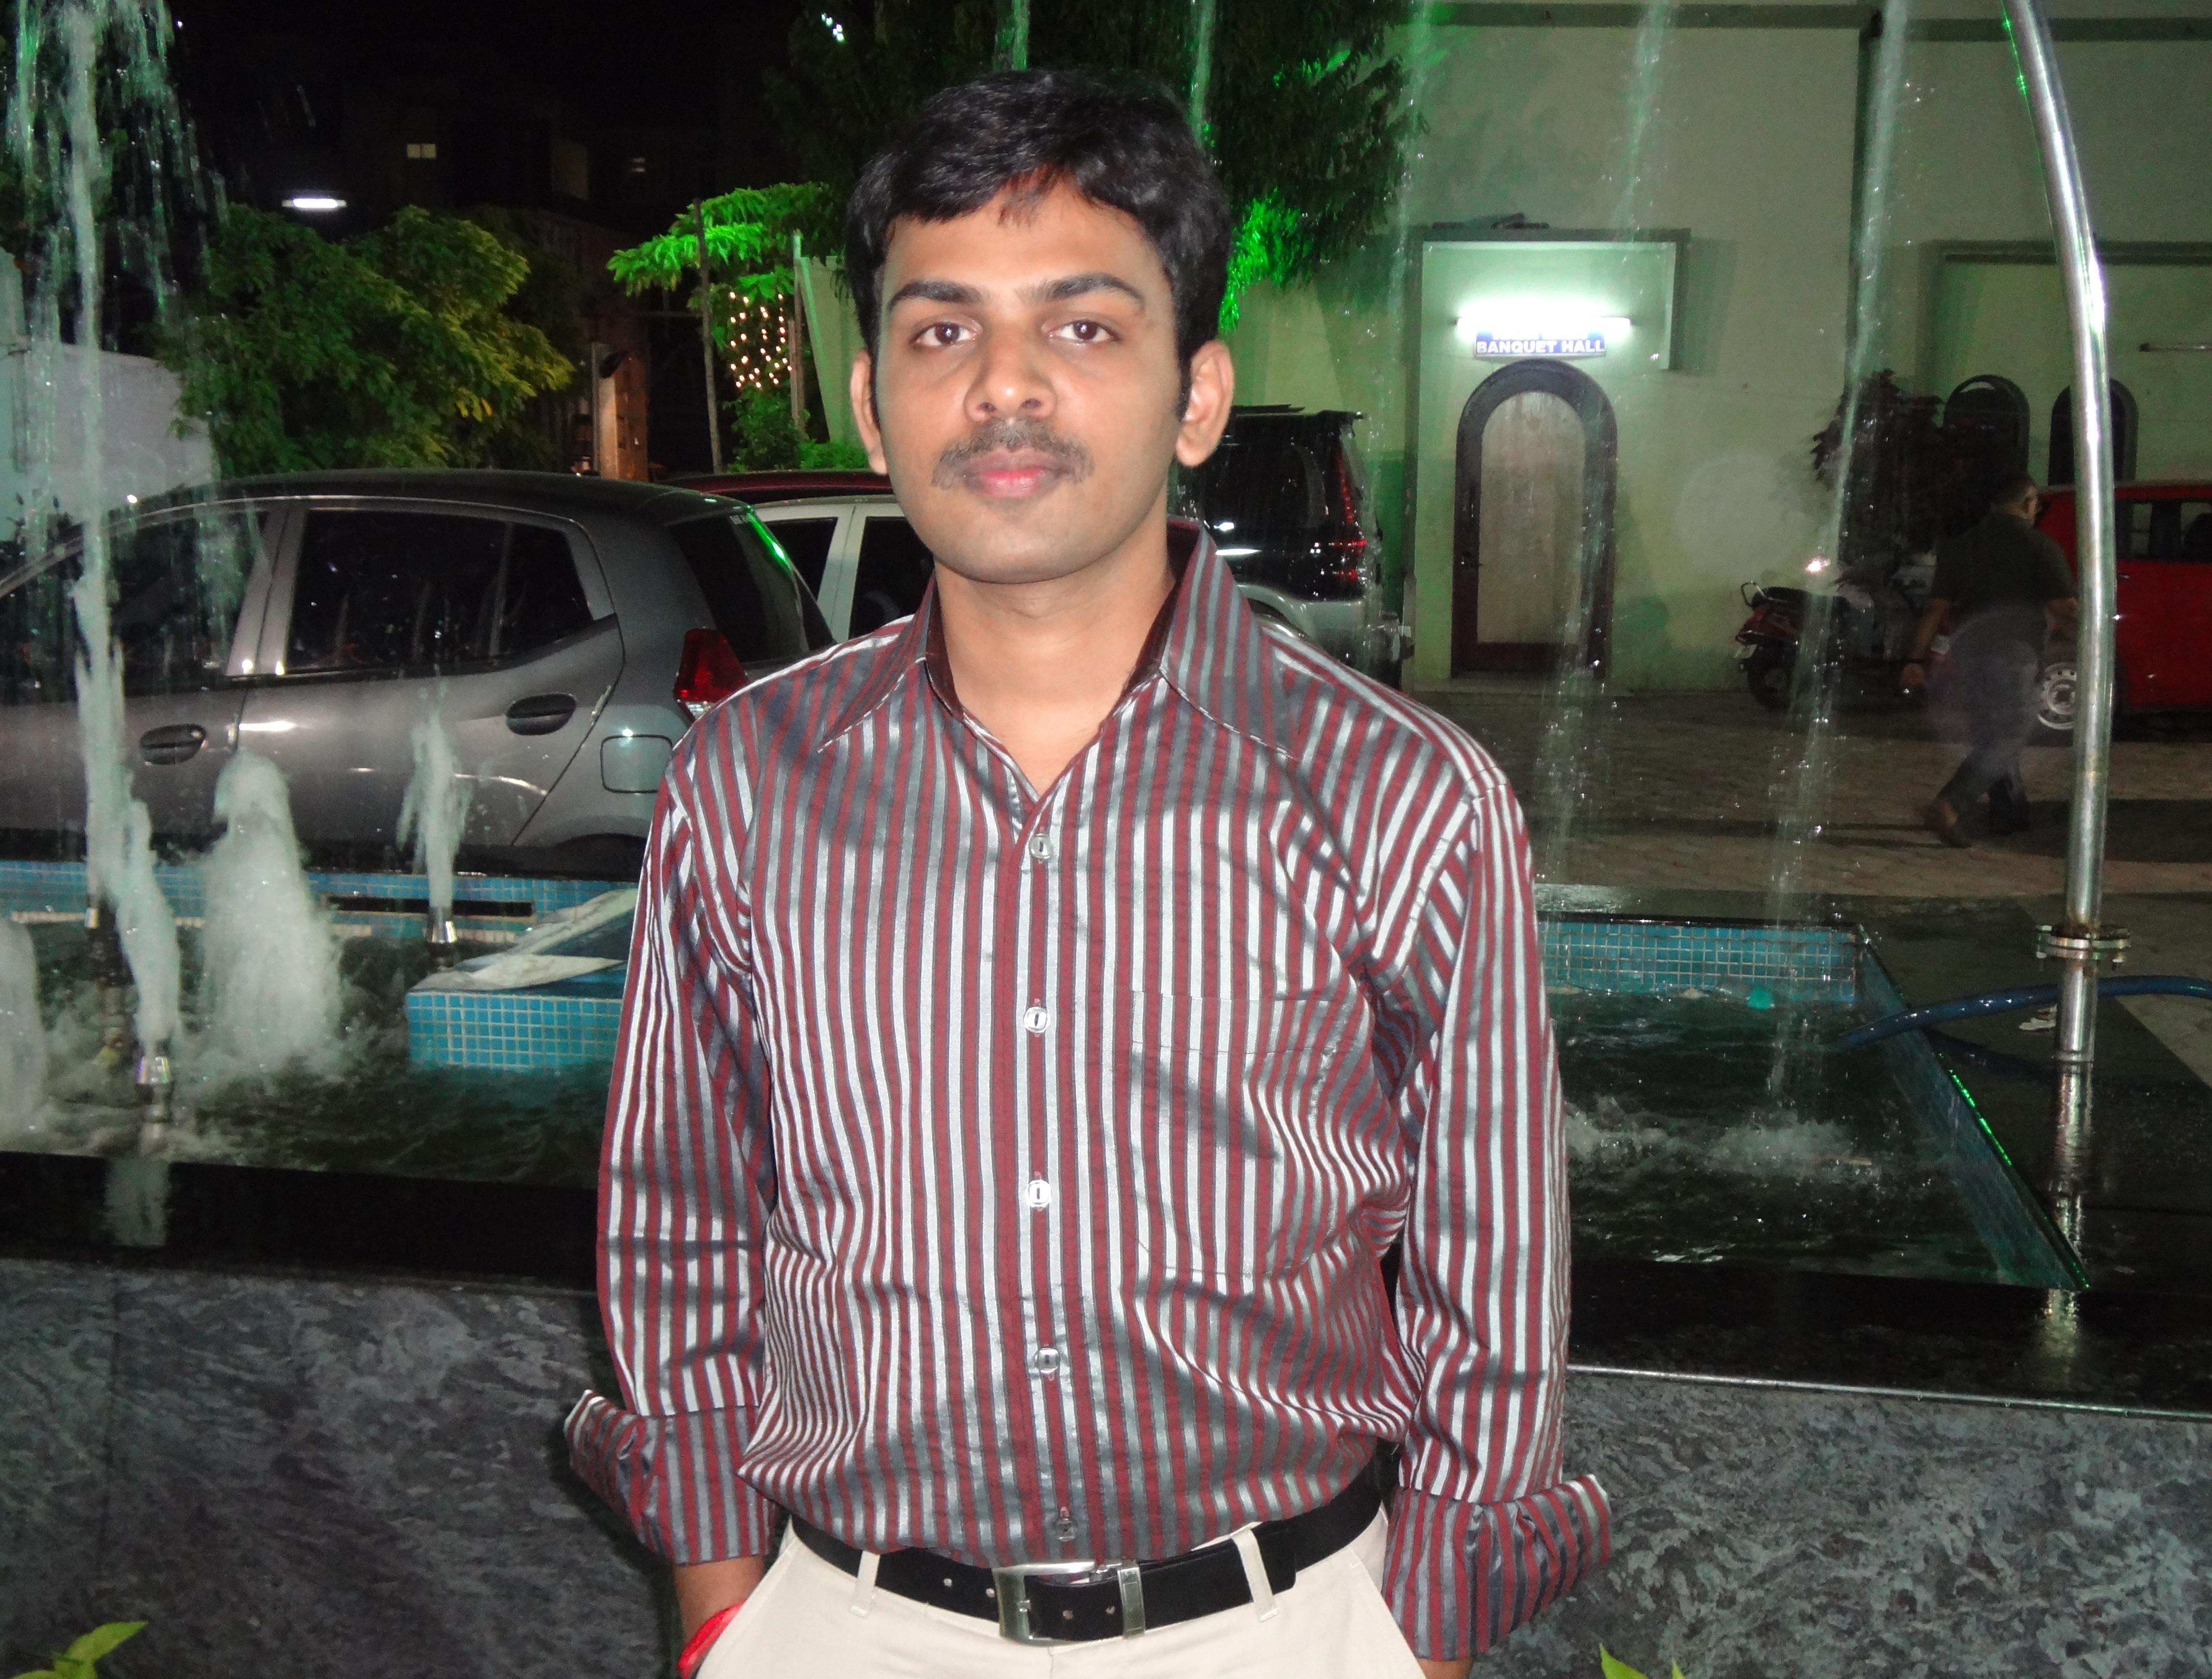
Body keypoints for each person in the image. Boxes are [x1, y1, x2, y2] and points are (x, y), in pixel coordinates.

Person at [566, 69, 1605, 1679]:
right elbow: (681, 1218)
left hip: (1284, 1625)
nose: (1003, 386)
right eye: (942, 330)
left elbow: (1491, 1271)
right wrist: (722, 1614)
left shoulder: (1402, 796)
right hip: (845, 1623)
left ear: (1196, 396)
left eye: (1083, 325)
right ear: (872, 401)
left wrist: (1421, 1647)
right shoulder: (748, 784)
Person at [1901, 472, 2078, 847]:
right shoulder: (2039, 546)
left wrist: (1916, 658)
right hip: (2015, 653)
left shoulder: (1961, 546)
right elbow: (2064, 608)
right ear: (2028, 503)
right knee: (2010, 733)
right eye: (2037, 505)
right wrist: (2090, 635)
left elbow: (1936, 608)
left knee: (1993, 732)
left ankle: (2008, 813)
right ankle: (1952, 802)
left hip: (1967, 653)